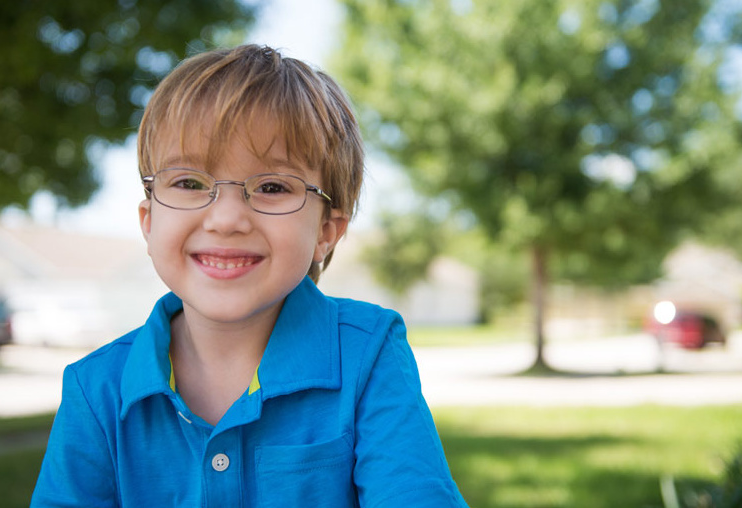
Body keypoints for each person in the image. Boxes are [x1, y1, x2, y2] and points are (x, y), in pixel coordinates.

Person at [31, 44, 468, 507]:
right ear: (148, 220)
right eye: (190, 183)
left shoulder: (367, 353)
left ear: (326, 231)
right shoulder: (97, 388)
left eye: (272, 187)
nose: (226, 219)